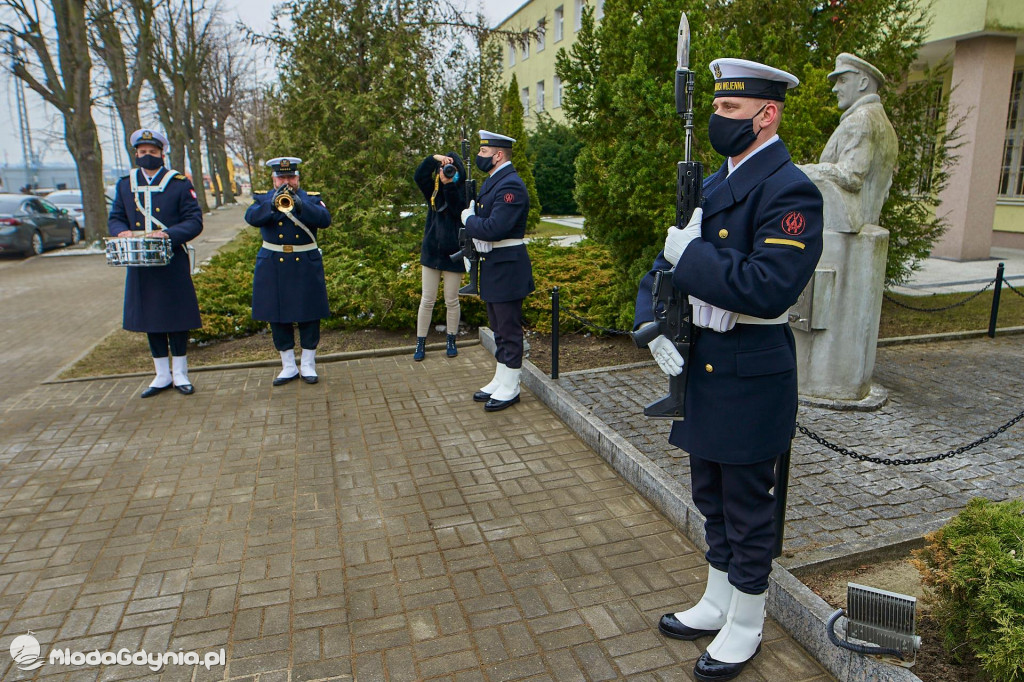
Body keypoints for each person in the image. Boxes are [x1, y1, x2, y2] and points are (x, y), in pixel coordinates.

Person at [635, 59, 823, 681]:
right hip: (704, 368)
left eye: (730, 111)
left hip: (749, 370)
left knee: (747, 508)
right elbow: (664, 264)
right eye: (715, 108)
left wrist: (689, 257)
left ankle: (748, 622)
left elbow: (768, 288)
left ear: (766, 115)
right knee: (710, 496)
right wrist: (652, 324)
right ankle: (718, 600)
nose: (718, 119)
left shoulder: (790, 190)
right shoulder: (715, 182)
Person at [109, 128, 203, 398]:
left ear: (162, 153)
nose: (147, 156)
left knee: (176, 317)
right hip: (141, 262)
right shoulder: (125, 183)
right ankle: (162, 375)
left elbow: (194, 221)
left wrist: (169, 234)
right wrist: (121, 232)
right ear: (136, 154)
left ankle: (181, 373)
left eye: (152, 152)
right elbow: (115, 216)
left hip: (171, 259)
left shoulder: (178, 183)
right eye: (142, 152)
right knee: (151, 317)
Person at [461, 130, 533, 412]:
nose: (480, 157)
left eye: (483, 152)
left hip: (507, 268)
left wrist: (469, 220)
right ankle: (501, 378)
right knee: (498, 329)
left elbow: (494, 228)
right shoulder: (495, 181)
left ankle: (512, 385)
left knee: (509, 329)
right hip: (495, 266)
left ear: (498, 154)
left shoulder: (510, 186)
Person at [245, 157, 332, 385]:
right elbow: (251, 218)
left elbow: (325, 220)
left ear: (298, 178)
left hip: (305, 262)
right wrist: (271, 205)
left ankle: (308, 364)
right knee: (278, 315)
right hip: (274, 263)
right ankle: (288, 366)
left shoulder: (311, 198)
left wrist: (302, 207)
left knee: (309, 315)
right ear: (274, 179)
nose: (287, 181)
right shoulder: (263, 198)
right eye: (282, 177)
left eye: (291, 177)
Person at [800, 52, 898, 230]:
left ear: (863, 83)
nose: (835, 88)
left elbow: (850, 175)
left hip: (846, 231)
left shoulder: (861, 119)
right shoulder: (884, 123)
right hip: (863, 228)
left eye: (843, 80)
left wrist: (801, 171)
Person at [411, 150, 467, 360]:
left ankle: (451, 340)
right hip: (432, 251)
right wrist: (434, 159)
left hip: (454, 252)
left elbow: (458, 210)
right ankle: (420, 343)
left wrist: (450, 184)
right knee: (427, 299)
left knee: (451, 300)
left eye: (452, 169)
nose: (447, 172)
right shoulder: (433, 190)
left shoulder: (463, 189)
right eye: (444, 169)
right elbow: (419, 176)